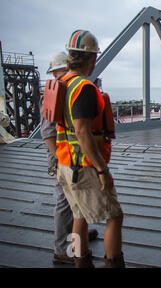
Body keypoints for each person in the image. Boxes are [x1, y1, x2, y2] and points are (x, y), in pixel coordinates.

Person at [55, 30, 124, 268]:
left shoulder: (62, 83)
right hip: (83, 167)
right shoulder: (83, 88)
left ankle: (80, 262)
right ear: (93, 58)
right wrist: (102, 170)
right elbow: (83, 133)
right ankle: (114, 263)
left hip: (64, 163)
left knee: (79, 215)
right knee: (114, 215)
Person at [40, 52, 98, 265]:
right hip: (63, 159)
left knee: (75, 200)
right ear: (58, 72)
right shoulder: (54, 92)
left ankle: (77, 235)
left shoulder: (66, 90)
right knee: (65, 201)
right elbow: (47, 133)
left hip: (70, 157)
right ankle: (61, 248)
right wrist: (60, 159)